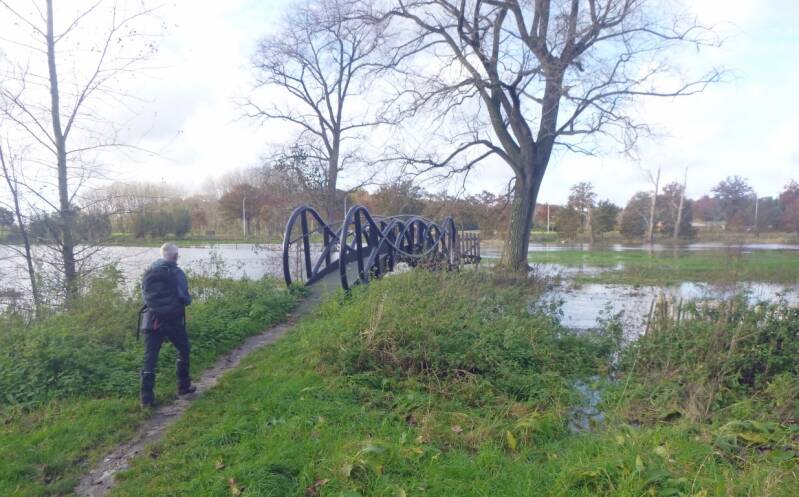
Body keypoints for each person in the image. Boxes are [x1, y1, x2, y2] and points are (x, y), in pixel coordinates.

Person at [139, 242, 195, 408]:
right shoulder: (177, 273)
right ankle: (183, 386)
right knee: (183, 349)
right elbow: (185, 298)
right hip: (173, 320)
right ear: (175, 256)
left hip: (152, 320)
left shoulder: (149, 271)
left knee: (150, 357)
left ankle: (146, 399)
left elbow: (145, 296)